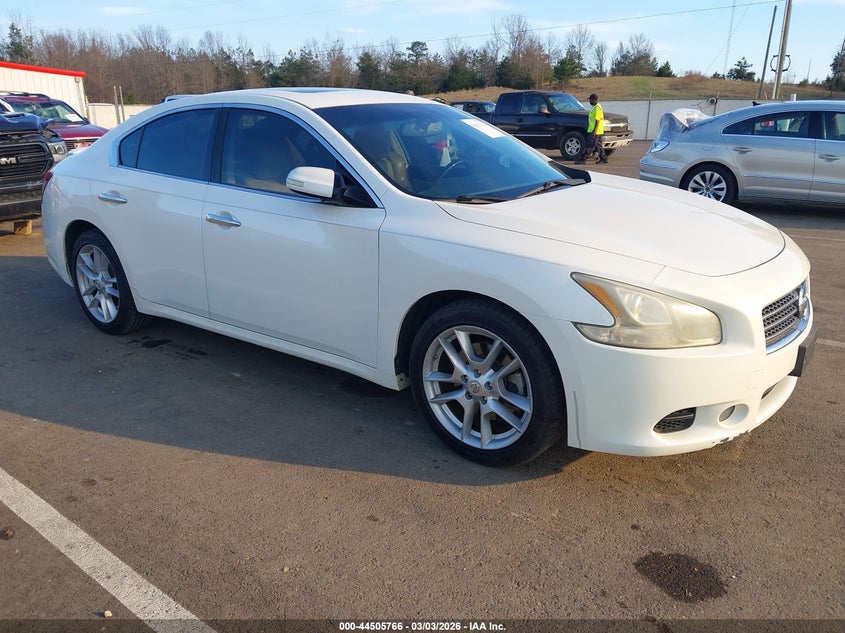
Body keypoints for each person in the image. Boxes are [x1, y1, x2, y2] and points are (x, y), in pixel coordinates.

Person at [575, 93, 608, 165]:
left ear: (594, 100)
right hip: (595, 130)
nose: (589, 101)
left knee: (590, 145)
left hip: (595, 130)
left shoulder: (597, 108)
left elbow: (597, 120)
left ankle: (583, 159)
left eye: (590, 100)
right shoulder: (594, 107)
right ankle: (603, 158)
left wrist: (595, 130)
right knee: (598, 145)